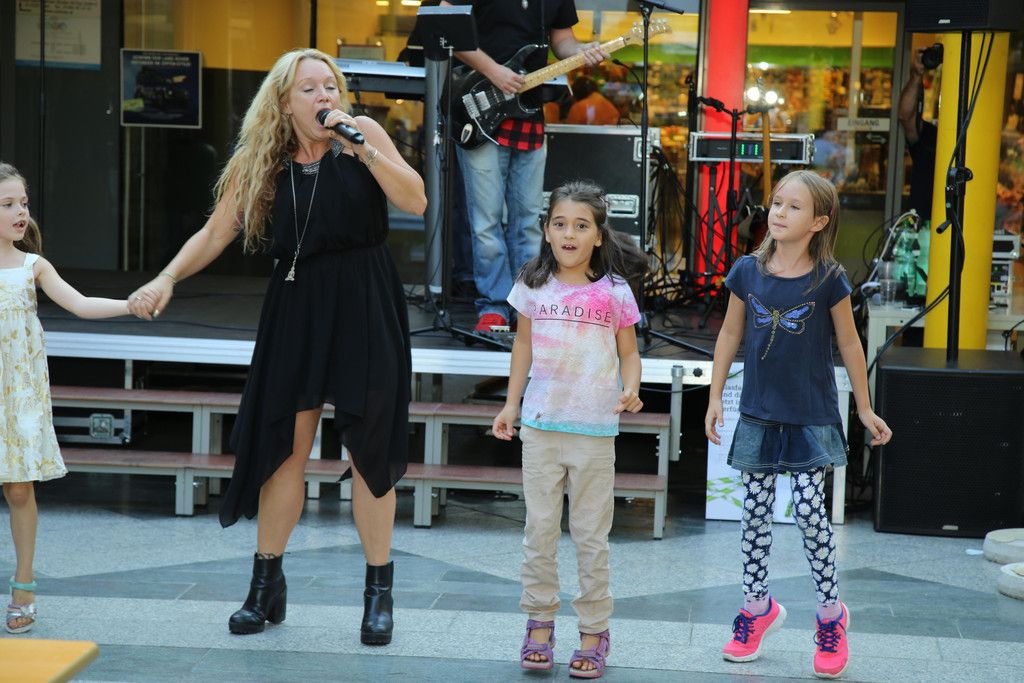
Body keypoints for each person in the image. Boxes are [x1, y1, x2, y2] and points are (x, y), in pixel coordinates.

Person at [128, 49, 426, 645]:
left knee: (369, 447)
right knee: (286, 448)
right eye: (309, 88)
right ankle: (265, 586)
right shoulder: (262, 158)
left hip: (365, 299)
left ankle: (378, 594)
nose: (324, 96)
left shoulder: (362, 133)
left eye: (330, 86)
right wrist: (166, 277)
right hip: (297, 302)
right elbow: (217, 230)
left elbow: (415, 200)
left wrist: (361, 148)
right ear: (285, 102)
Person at [704, 170, 892, 679]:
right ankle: (756, 609)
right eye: (776, 203)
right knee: (754, 515)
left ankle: (831, 616)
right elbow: (729, 333)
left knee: (810, 514)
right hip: (758, 414)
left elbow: (849, 343)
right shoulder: (747, 270)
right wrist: (715, 396)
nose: (779, 213)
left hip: (810, 416)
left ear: (819, 222)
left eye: (793, 207)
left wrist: (864, 409)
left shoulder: (829, 278)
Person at [492, 181, 646, 678]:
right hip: (540, 427)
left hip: (595, 432)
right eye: (560, 224)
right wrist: (510, 405)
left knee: (590, 537)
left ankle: (594, 631)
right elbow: (522, 347)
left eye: (581, 226)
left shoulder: (614, 292)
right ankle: (539, 623)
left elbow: (629, 352)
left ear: (599, 236)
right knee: (539, 531)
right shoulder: (532, 284)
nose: (569, 234)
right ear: (546, 230)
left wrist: (631, 387)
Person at [0, 162, 131, 634]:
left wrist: (129, 304)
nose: (21, 212)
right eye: (8, 204)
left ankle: (24, 586)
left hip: (16, 395)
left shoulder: (32, 267)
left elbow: (80, 303)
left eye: (23, 202)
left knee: (19, 487)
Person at [442, 0, 609, 332]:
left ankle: (528, 305)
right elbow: (447, 26)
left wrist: (582, 51)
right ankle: (492, 305)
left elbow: (562, 40)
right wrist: (493, 70)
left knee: (529, 221)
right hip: (480, 105)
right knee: (486, 221)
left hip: (528, 109)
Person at [898, 47, 937, 222]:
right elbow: (904, 116)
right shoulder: (930, 135)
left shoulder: (974, 140)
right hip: (923, 224)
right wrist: (916, 75)